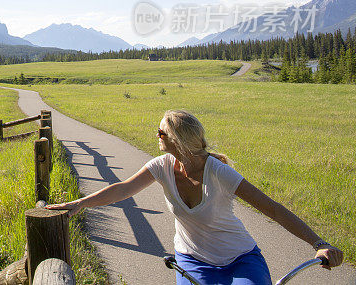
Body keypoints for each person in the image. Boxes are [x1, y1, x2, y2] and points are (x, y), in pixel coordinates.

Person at [46, 109, 344, 285]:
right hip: (193, 261)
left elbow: (273, 210)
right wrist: (78, 204)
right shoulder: (161, 166)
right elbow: (123, 189)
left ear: (176, 139)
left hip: (240, 258)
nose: (156, 136)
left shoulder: (218, 172)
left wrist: (319, 244)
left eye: (160, 132)